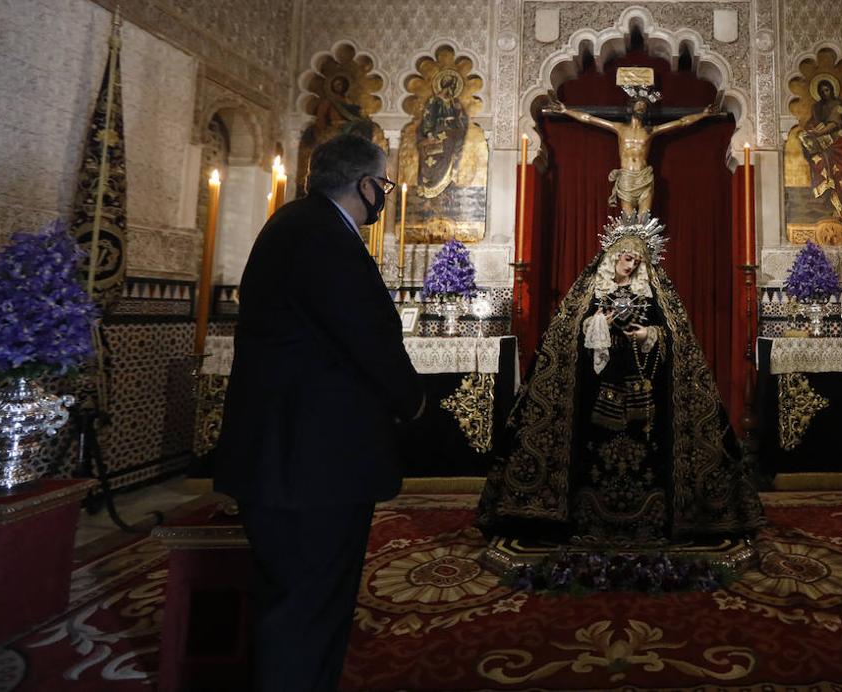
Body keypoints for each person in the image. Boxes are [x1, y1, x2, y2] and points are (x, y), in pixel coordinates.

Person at [214, 133, 424, 691]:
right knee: (308, 601)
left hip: (294, 456)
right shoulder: (323, 237)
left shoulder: (296, 226)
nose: (384, 195)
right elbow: (366, 335)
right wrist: (413, 400)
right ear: (365, 185)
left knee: (300, 596)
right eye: (385, 184)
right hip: (309, 464)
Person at [477, 212, 764, 544]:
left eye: (638, 260)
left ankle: (657, 517)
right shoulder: (590, 293)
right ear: (613, 257)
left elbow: (675, 336)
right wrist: (596, 324)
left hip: (645, 388)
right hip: (597, 386)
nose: (632, 265)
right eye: (627, 258)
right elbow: (567, 335)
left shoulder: (654, 295)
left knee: (647, 448)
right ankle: (583, 516)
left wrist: (648, 334)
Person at [544, 95, 719, 215]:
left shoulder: (651, 131)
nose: (641, 107)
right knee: (628, 222)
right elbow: (589, 119)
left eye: (644, 106)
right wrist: (566, 111)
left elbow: (681, 122)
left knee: (644, 220)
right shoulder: (620, 128)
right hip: (626, 178)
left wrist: (703, 114)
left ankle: (645, 261)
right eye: (639, 105)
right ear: (632, 108)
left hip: (644, 177)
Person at [798, 78, 842, 221]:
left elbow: (835, 122)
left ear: (832, 90)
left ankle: (841, 203)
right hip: (822, 141)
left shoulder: (838, 105)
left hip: (840, 141)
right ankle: (827, 199)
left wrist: (820, 132)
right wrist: (812, 130)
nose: (824, 93)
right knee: (820, 163)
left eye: (827, 90)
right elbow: (812, 122)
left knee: (840, 171)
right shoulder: (817, 107)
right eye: (821, 91)